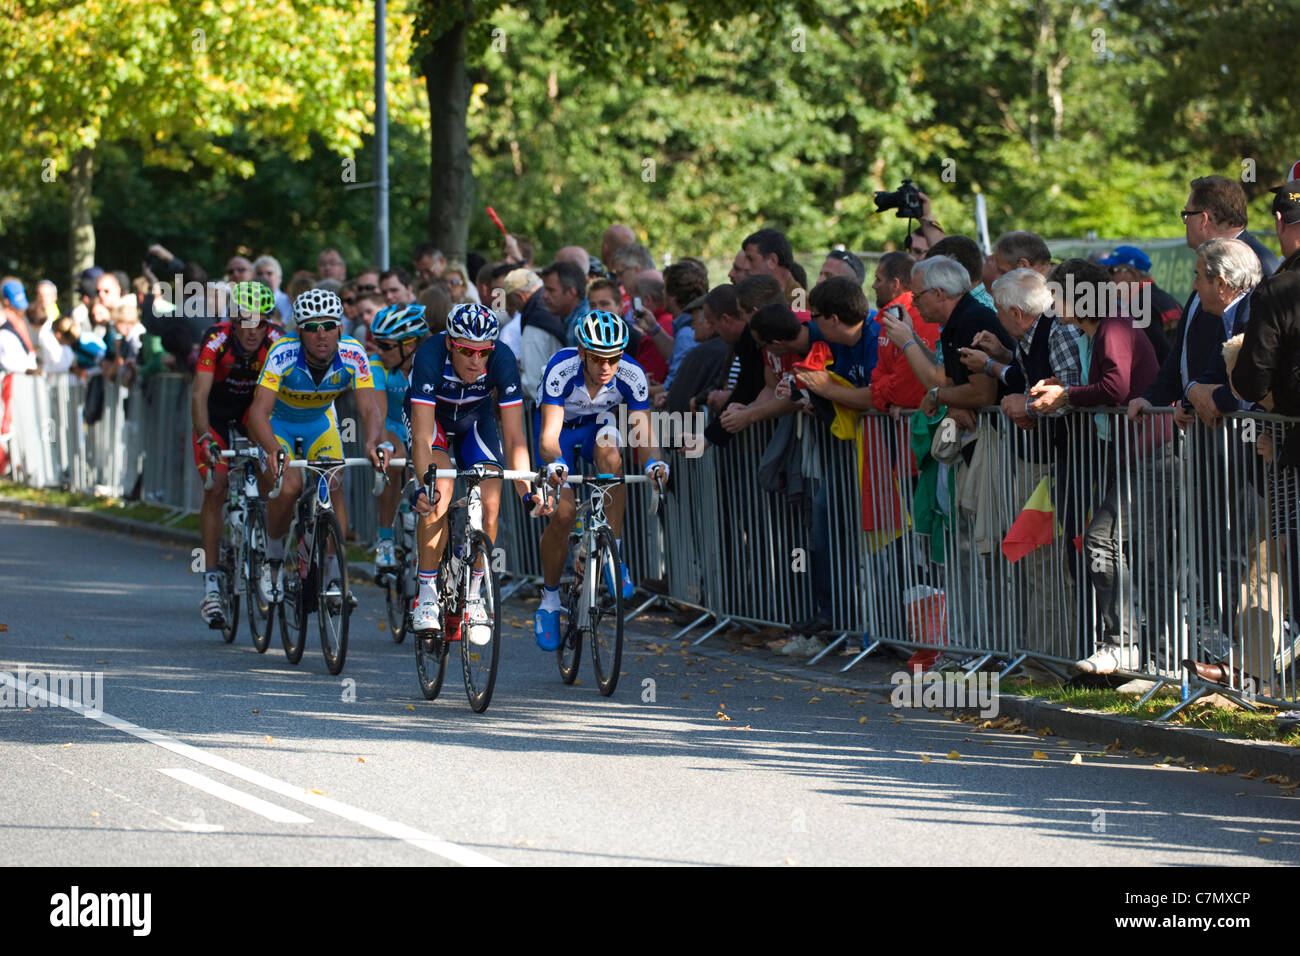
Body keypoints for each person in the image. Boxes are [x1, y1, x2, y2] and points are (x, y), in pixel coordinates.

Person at [1029, 259, 1162, 674]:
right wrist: (1061, 388)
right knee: (1114, 545)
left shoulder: (1113, 324)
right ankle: (1138, 652)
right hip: (1127, 454)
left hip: (1150, 455)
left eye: (1058, 295)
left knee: (1104, 541)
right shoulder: (1092, 332)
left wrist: (1065, 395)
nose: (1053, 305)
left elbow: (1115, 387)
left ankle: (1126, 646)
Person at [532, 311, 669, 650]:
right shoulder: (561, 369)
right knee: (563, 515)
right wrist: (557, 463)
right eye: (597, 358)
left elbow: (643, 429)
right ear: (582, 353)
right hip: (560, 431)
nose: (606, 366)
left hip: (599, 425)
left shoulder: (631, 374)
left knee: (612, 457)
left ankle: (613, 556)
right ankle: (549, 599)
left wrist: (654, 462)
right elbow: (548, 436)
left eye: (614, 358)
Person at [406, 303, 536, 637]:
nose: (476, 361)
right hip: (431, 421)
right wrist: (424, 486)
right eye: (466, 351)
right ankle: (426, 596)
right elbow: (421, 437)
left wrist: (527, 492)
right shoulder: (429, 356)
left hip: (473, 422)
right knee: (440, 494)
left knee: (491, 500)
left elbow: (514, 437)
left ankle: (475, 597)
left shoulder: (503, 359)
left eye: (483, 352)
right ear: (450, 343)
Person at [249, 288, 383, 606]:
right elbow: (258, 412)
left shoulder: (353, 353)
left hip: (319, 425)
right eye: (311, 327)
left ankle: (334, 575)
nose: (321, 335)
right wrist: (271, 447)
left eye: (328, 326)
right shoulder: (282, 351)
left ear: (340, 327)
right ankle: (274, 558)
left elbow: (369, 409)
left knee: (333, 480)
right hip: (278, 425)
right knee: (288, 488)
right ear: (300, 331)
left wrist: (372, 441)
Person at [190, 282, 283, 627]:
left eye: (261, 322)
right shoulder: (216, 339)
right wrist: (203, 436)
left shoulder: (276, 341)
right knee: (216, 487)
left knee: (272, 475)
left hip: (252, 415)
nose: (252, 330)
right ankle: (212, 583)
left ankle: (265, 549)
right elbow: (198, 394)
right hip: (214, 415)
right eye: (245, 321)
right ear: (233, 318)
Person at [367, 303, 430, 572]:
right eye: (377, 344)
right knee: (394, 461)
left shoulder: (428, 363)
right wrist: (382, 443)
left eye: (386, 345)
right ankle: (385, 539)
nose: (379, 351)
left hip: (421, 424)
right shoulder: (377, 365)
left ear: (410, 344)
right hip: (393, 424)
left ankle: (412, 510)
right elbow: (379, 413)